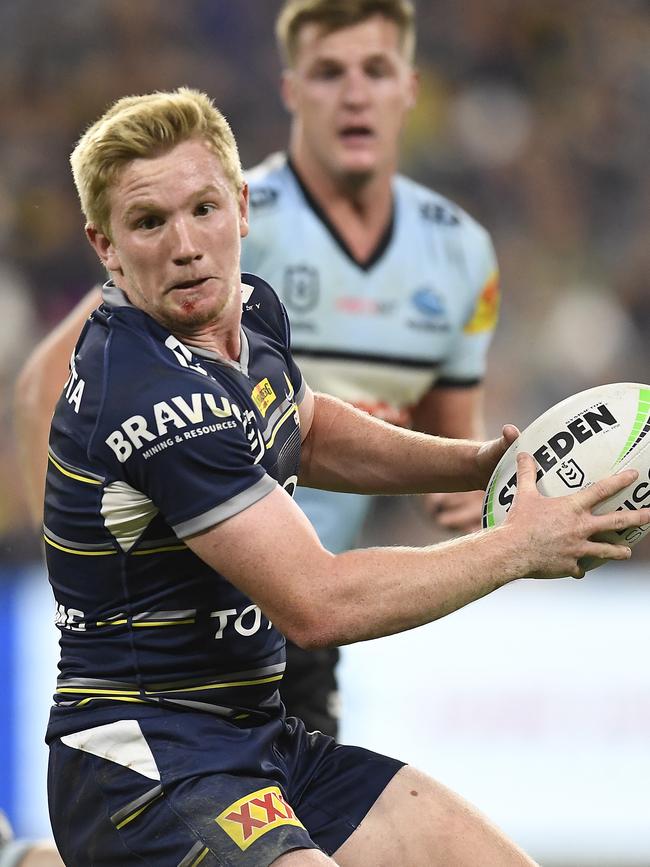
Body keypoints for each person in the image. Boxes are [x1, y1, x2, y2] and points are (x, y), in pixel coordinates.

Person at [40, 85, 648, 867]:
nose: (186, 244)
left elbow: (306, 424)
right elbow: (317, 604)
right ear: (105, 245)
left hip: (256, 741)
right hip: (142, 771)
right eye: (149, 222)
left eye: (204, 209)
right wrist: (518, 547)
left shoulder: (246, 313)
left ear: (244, 207)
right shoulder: (151, 393)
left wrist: (470, 464)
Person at [15, 0, 499, 739]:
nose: (355, 94)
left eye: (375, 70)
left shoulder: (462, 250)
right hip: (236, 592)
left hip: (320, 582)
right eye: (330, 73)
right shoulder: (207, 210)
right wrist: (88, 583)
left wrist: (480, 479)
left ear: (411, 86)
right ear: (291, 90)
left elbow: (427, 445)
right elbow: (51, 383)